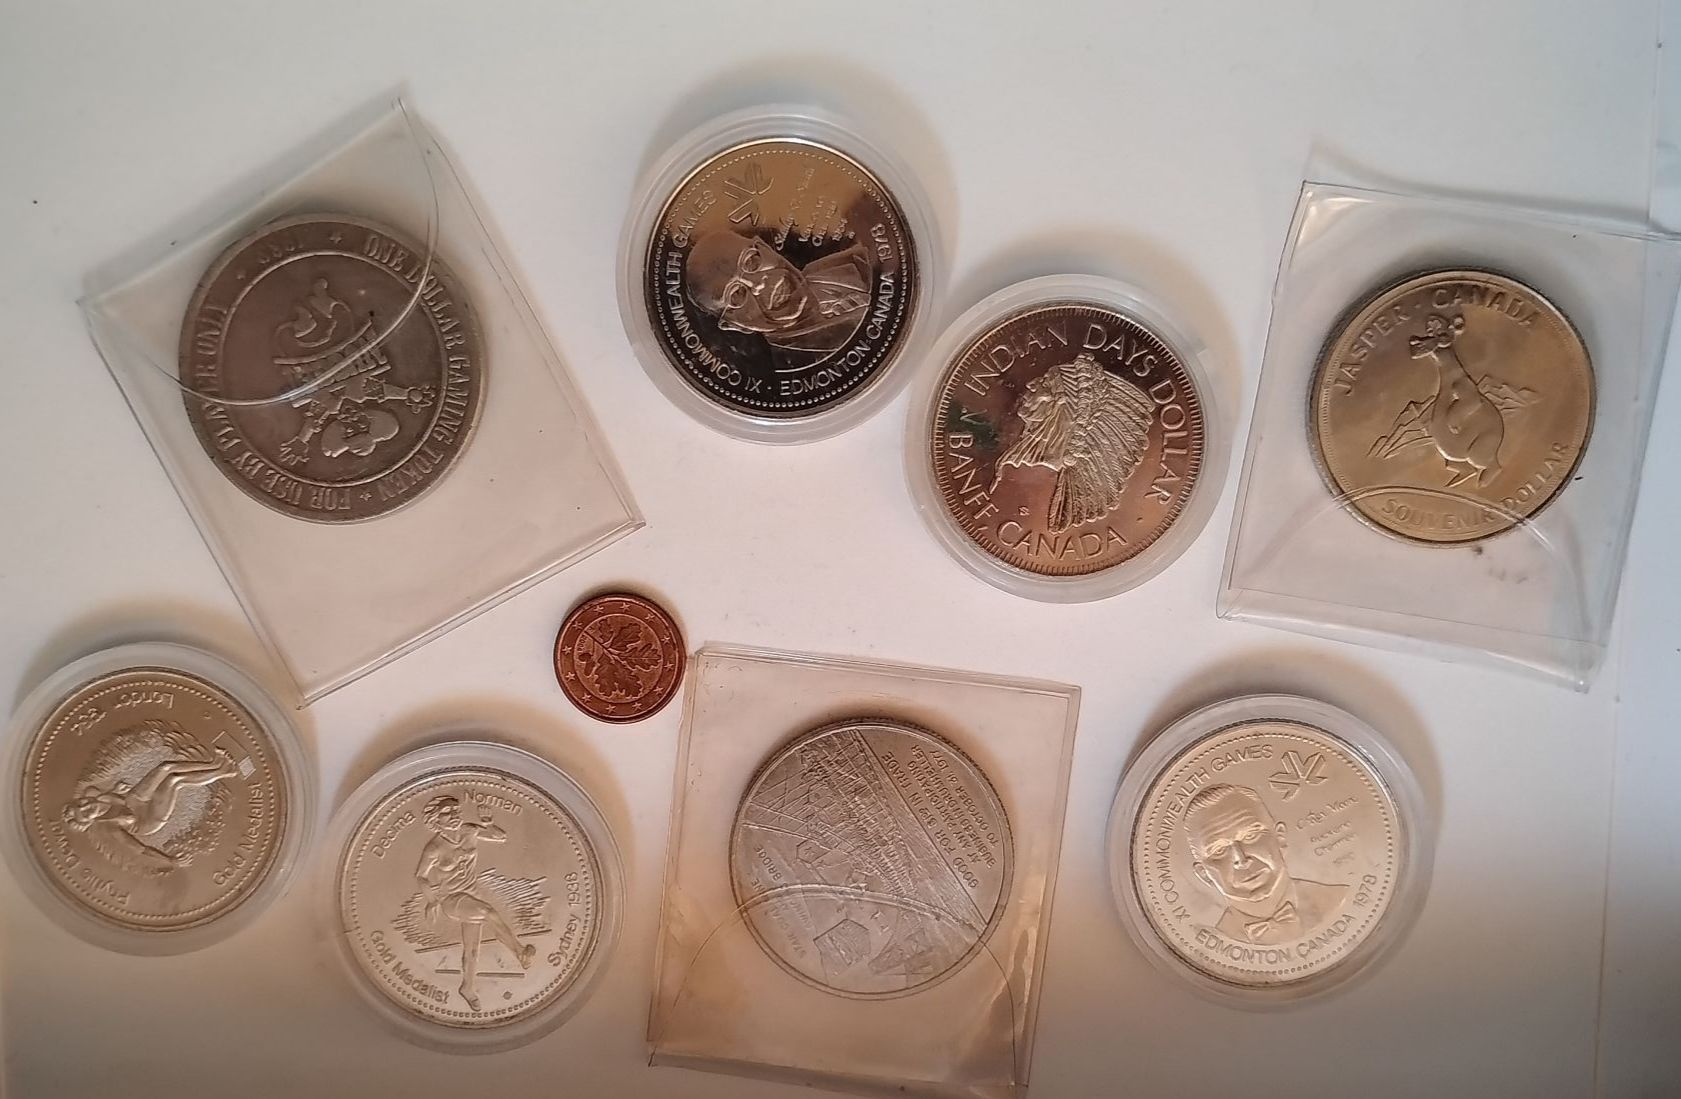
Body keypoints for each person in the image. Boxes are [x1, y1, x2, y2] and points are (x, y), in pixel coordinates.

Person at [1183, 784, 1347, 946]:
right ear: (1204, 874)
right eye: (1219, 851)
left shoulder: (1340, 900)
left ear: (1280, 838)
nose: (1241, 859)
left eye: (1251, 836)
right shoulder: (1208, 947)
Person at [414, 794, 535, 1011]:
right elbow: (421, 876)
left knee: (472, 948)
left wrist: (488, 823)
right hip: (452, 900)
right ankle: (519, 951)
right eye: (447, 812)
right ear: (435, 819)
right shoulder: (434, 847)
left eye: (456, 810)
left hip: (472, 896)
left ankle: (467, 988)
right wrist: (432, 900)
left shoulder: (469, 830)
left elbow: (500, 837)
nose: (454, 814)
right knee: (489, 912)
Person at [684, 230, 872, 356]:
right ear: (736, 326)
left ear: (765, 247)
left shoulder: (839, 267)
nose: (757, 284)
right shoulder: (802, 365)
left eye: (751, 261)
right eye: (736, 295)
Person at [61, 747, 241, 858]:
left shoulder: (100, 797)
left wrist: (116, 790)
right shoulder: (111, 826)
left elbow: (113, 798)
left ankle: (214, 763)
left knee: (165, 767)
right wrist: (170, 860)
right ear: (90, 821)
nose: (87, 806)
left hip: (134, 801)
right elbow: (141, 850)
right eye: (86, 813)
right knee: (174, 780)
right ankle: (224, 772)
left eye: (81, 803)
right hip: (147, 819)